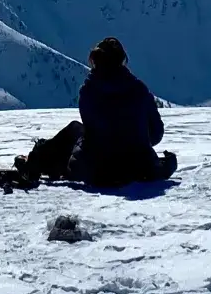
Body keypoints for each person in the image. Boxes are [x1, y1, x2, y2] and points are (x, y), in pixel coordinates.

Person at [17, 38, 177, 188]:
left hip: (99, 172)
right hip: (141, 168)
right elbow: (156, 133)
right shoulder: (139, 90)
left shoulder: (89, 91)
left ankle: (34, 163)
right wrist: (137, 140)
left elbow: (93, 132)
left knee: (74, 130)